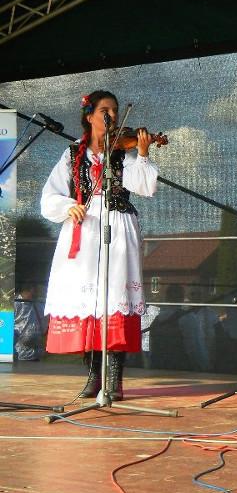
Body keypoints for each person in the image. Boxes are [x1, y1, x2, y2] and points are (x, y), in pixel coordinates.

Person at [40, 90, 158, 400]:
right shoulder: (72, 153)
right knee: (90, 303)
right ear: (90, 115)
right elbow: (49, 196)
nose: (113, 115)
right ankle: (94, 377)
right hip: (84, 229)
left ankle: (114, 380)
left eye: (115, 110)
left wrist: (143, 153)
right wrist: (69, 206)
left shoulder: (123, 152)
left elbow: (145, 186)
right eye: (106, 109)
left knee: (114, 301)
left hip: (117, 228)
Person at [13, 282, 47, 362]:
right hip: (19, 351)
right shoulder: (15, 303)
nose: (34, 294)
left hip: (36, 352)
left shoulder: (37, 303)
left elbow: (43, 319)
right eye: (33, 292)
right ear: (27, 291)